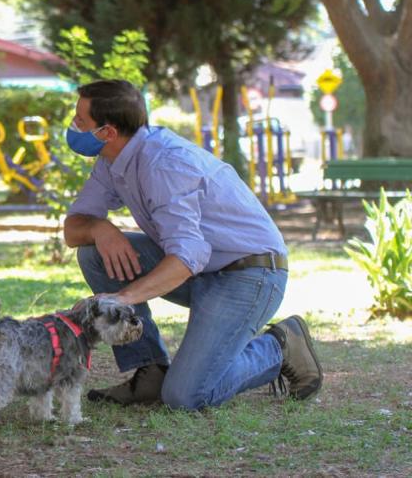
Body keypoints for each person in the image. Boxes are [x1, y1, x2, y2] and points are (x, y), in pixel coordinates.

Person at [63, 79, 322, 410]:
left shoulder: (164, 163)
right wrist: (99, 227)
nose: (73, 127)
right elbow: (74, 230)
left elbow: (187, 257)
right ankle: (151, 372)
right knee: (93, 252)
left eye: (79, 121)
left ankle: (279, 347)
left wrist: (122, 298)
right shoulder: (111, 161)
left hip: (250, 273)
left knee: (186, 396)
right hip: (203, 267)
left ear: (108, 132)